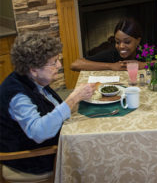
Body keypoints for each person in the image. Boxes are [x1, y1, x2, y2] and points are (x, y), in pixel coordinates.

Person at [0, 32, 97, 175]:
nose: (59, 65)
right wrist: (73, 99)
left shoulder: (34, 79)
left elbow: (53, 108)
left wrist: (77, 97)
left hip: (45, 145)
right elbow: (38, 132)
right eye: (53, 63)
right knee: (93, 150)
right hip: (32, 159)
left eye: (58, 60)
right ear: (33, 70)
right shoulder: (18, 96)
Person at [71, 18, 157, 71]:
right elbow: (75, 64)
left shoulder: (145, 50)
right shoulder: (112, 53)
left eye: (127, 42)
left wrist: (142, 65)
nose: (121, 46)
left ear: (138, 40)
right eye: (117, 42)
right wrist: (110, 66)